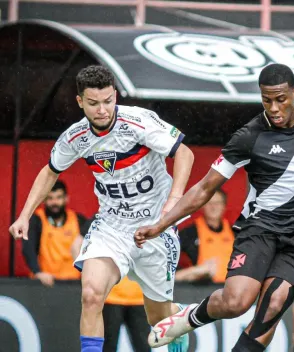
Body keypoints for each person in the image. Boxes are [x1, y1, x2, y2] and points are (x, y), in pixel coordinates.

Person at [134, 63, 294, 351]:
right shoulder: (248, 137)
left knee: (273, 306)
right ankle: (187, 317)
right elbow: (205, 188)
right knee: (236, 302)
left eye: (281, 99)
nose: (273, 108)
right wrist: (161, 224)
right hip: (260, 229)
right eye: (266, 100)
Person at [9, 65, 194, 352]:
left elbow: (184, 152)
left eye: (108, 101)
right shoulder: (76, 137)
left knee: (158, 319)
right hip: (112, 227)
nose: (103, 110)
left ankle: (175, 318)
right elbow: (50, 171)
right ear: (80, 101)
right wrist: (25, 214)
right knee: (92, 294)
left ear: (115, 95)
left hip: (156, 227)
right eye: (93, 103)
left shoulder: (138, 121)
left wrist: (174, 201)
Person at [72, 215, 151, 352]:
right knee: (108, 347)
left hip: (139, 297)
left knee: (143, 348)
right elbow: (76, 245)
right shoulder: (106, 214)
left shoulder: (149, 216)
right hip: (112, 296)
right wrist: (91, 276)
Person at [22, 180, 88, 287]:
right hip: (44, 282)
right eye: (50, 198)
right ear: (44, 200)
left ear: (66, 199)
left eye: (59, 197)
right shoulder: (37, 220)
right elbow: (28, 248)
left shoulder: (78, 220)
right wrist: (37, 272)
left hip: (74, 283)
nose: (54, 203)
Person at [178, 189, 235, 284]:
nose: (213, 207)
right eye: (210, 203)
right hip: (201, 289)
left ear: (224, 206)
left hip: (231, 289)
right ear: (202, 206)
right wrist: (195, 271)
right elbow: (169, 261)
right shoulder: (190, 232)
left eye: (218, 203)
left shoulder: (235, 232)